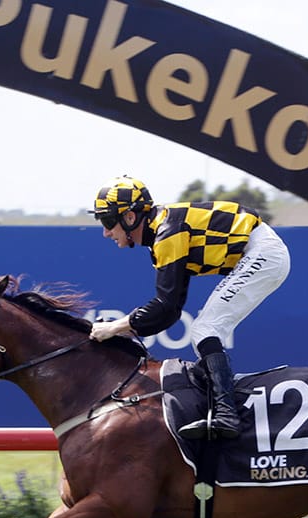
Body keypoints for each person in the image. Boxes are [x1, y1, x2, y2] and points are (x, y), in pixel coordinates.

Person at [88, 176, 291, 440]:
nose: (105, 232)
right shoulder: (163, 232)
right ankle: (222, 410)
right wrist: (119, 330)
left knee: (206, 329)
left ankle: (227, 414)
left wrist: (115, 327)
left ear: (129, 218)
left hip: (263, 253)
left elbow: (164, 306)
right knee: (205, 330)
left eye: (107, 221)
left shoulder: (167, 232)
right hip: (262, 251)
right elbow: (169, 312)